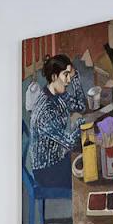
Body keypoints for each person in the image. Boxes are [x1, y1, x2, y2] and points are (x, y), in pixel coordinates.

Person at [29, 54, 89, 189]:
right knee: (88, 171)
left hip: (59, 158)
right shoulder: (45, 110)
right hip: (47, 172)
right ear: (54, 77)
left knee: (91, 154)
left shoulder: (60, 93)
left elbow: (81, 106)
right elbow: (70, 143)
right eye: (65, 75)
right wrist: (79, 124)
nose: (68, 80)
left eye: (69, 75)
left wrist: (76, 77)